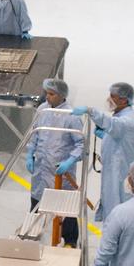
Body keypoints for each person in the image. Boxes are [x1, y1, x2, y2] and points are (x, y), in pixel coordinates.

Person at [26, 78, 85, 246]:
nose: (47, 97)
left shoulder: (71, 116)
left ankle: (70, 241)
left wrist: (70, 160)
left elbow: (81, 144)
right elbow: (35, 133)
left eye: (51, 94)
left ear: (61, 95)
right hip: (41, 168)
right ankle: (32, 234)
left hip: (61, 172)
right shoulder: (42, 109)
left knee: (65, 208)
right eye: (47, 93)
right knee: (36, 203)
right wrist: (30, 153)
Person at [73, 83, 134, 222]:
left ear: (123, 100)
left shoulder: (129, 119)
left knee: (118, 211)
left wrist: (90, 111)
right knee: (112, 206)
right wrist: (106, 136)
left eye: (113, 96)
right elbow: (118, 135)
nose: (109, 99)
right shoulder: (122, 115)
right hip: (113, 169)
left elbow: (114, 125)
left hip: (120, 173)